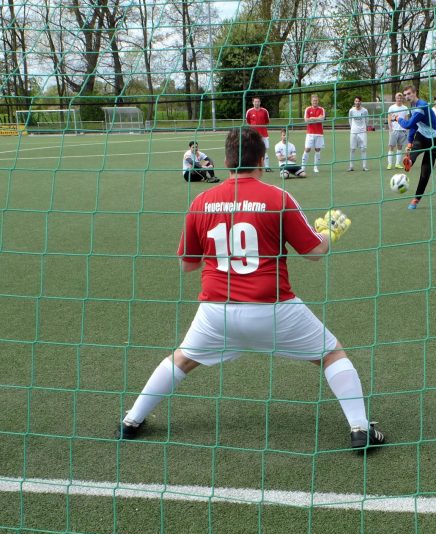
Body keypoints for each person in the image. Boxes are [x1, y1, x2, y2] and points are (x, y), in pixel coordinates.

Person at [117, 127, 385, 450]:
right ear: (262, 158)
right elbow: (315, 252)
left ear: (228, 160)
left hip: (216, 312)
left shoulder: (201, 200)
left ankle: (131, 420)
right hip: (273, 308)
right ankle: (359, 429)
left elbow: (187, 265)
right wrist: (328, 232)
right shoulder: (278, 197)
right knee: (330, 354)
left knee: (183, 360)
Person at [398, 84, 436, 210]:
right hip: (422, 135)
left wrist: (397, 118)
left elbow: (408, 124)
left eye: (408, 94)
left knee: (425, 171)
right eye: (405, 94)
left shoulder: (421, 106)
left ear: (414, 93)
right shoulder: (412, 107)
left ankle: (416, 199)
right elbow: (414, 126)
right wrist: (409, 142)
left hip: (435, 139)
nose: (407, 96)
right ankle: (410, 161)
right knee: (416, 147)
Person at [245, 96, 271, 171]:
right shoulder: (249, 111)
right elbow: (248, 122)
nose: (257, 103)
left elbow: (267, 121)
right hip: (253, 135)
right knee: (253, 150)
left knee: (264, 150)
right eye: (255, 102)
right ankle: (253, 166)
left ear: (260, 102)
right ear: (253, 102)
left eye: (258, 101)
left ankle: (267, 167)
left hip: (264, 134)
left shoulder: (264, 111)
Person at [302, 94, 325, 174]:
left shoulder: (321, 109)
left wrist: (312, 118)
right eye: (313, 100)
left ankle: (315, 167)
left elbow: (321, 119)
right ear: (311, 101)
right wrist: (316, 119)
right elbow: (306, 120)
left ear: (318, 101)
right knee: (307, 149)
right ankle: (303, 167)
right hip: (310, 133)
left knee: (317, 149)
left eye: (316, 100)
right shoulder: (308, 109)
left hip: (319, 133)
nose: (315, 102)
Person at [387, 92, 409, 170]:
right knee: (391, 147)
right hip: (394, 130)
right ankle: (389, 164)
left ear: (402, 98)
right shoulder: (391, 107)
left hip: (402, 130)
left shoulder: (405, 108)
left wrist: (406, 129)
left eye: (400, 98)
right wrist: (390, 128)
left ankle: (397, 164)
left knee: (400, 147)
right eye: (397, 98)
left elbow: (406, 119)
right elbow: (389, 118)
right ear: (395, 99)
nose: (399, 99)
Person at [347, 97, 369, 172]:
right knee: (352, 149)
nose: (357, 102)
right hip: (353, 132)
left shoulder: (365, 110)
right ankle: (351, 166)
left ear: (361, 102)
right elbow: (350, 120)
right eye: (356, 101)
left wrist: (363, 128)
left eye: (358, 101)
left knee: (363, 149)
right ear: (354, 102)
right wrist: (353, 127)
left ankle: (364, 166)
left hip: (362, 132)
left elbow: (367, 120)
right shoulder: (351, 110)